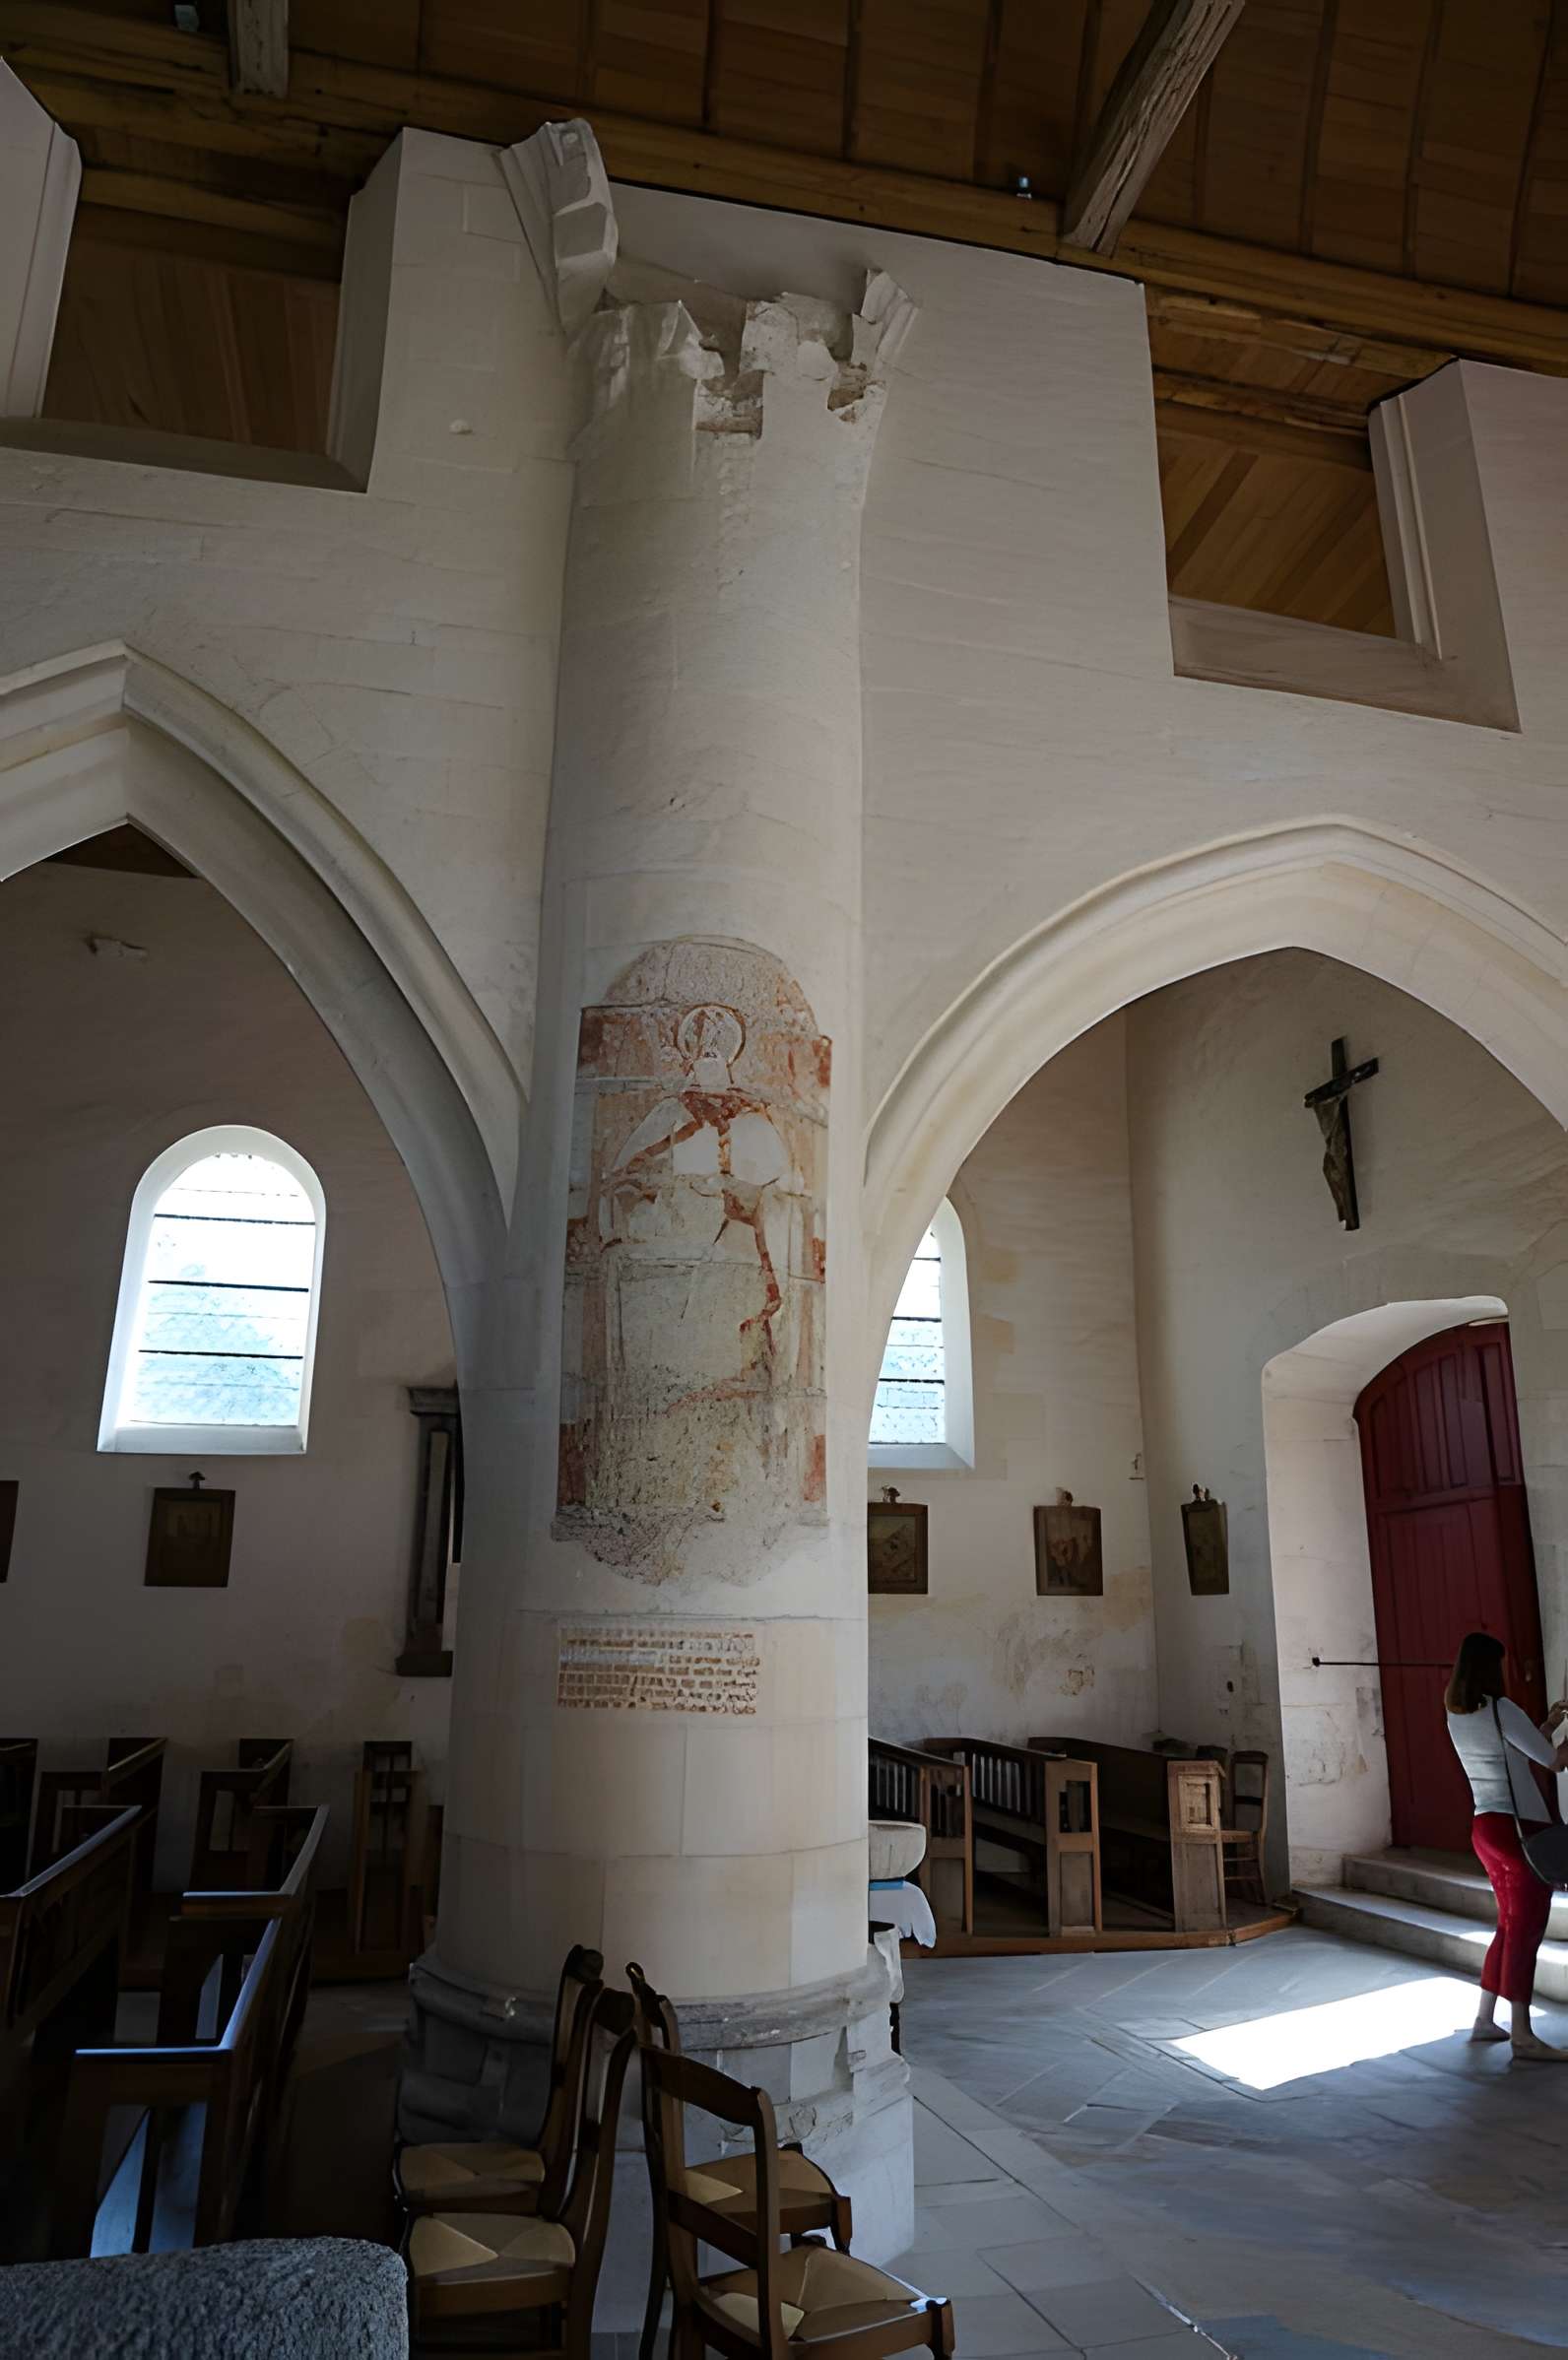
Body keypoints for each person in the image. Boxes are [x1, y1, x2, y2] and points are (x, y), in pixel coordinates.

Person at [1445, 1630, 1568, 2059]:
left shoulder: (1458, 1713)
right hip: (1519, 1831)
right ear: (1490, 1668)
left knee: (1508, 1925)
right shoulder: (1502, 1708)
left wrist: (1551, 1724)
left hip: (1486, 1827)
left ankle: (1485, 2019)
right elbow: (1553, 1761)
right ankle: (1522, 2033)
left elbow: (1516, 1750)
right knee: (1527, 1930)